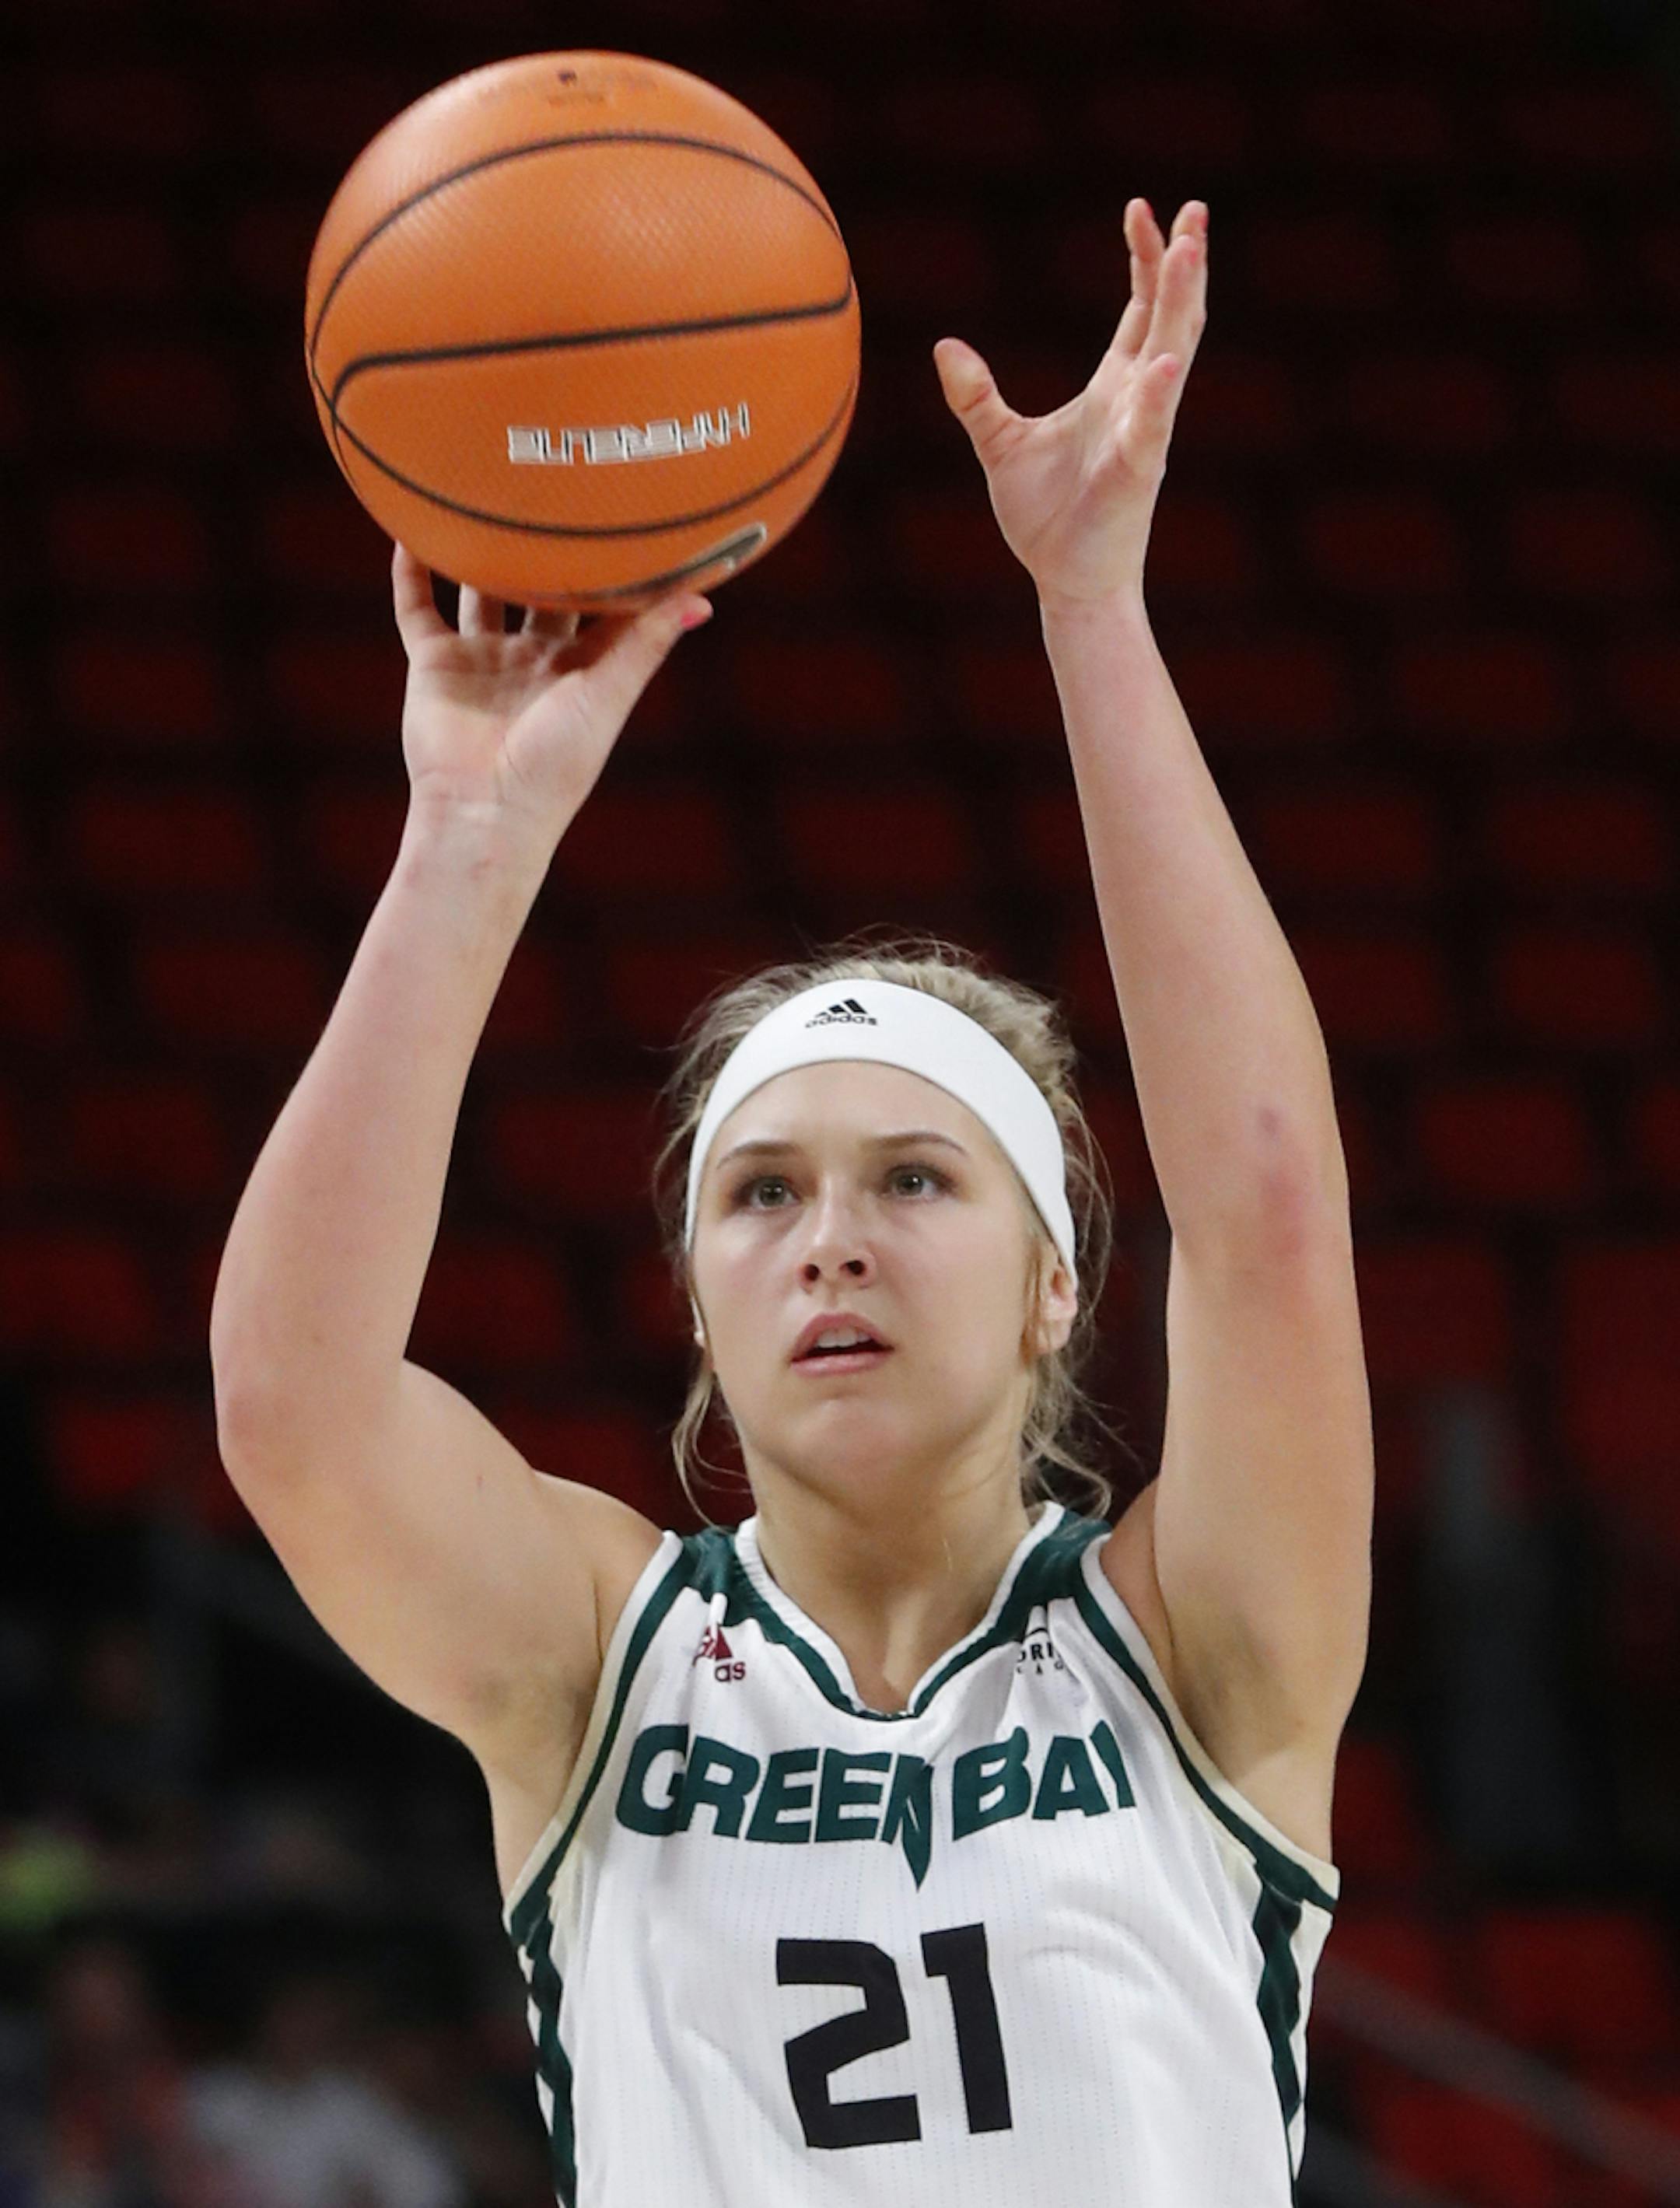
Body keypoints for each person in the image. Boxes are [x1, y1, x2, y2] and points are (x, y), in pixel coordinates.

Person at [210, 198, 1373, 2206]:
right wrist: (472, 838)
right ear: (696, 1296)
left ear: (1052, 1287)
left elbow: (1265, 1207)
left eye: (917, 1176)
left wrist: (1091, 607)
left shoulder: (1197, 1642)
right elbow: (294, 1407)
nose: (828, 1234)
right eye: (760, 1193)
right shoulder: (595, 1656)